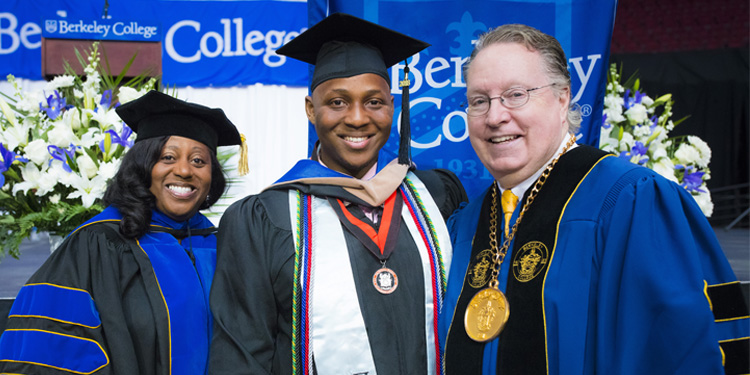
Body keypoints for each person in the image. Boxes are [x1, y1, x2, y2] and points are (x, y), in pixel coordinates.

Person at [440, 24, 749, 375]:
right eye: (479, 101)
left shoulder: (630, 200)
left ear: (562, 98)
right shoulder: (468, 223)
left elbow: (676, 353)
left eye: (516, 94)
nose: (495, 116)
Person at [210, 13, 467, 375]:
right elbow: (241, 357)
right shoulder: (265, 219)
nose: (358, 118)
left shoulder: (437, 196)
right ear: (310, 110)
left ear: (393, 108)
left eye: (374, 102)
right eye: (337, 103)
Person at [0, 90, 244, 374]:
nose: (185, 171)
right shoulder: (97, 244)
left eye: (199, 161)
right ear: (142, 167)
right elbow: (50, 353)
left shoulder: (221, 246)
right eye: (167, 157)